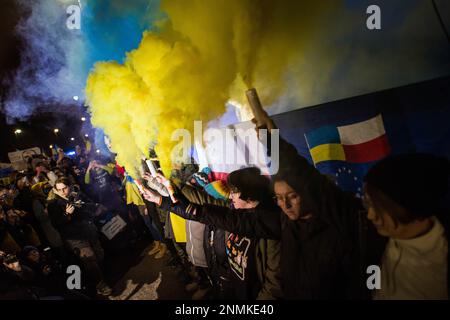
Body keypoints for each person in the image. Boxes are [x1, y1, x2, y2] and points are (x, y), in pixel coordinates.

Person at [142, 113, 365, 299]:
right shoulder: (268, 219)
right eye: (279, 198)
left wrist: (273, 141)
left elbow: (297, 169)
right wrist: (164, 199)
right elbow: (209, 213)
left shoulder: (319, 223)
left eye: (292, 196)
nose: (285, 204)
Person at [363, 153, 449, 299]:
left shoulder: (439, 269)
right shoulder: (378, 237)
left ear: (406, 206)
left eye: (378, 207)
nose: (370, 215)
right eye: (367, 204)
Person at [47, 177, 112, 296]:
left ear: (69, 187)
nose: (62, 192)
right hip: (75, 238)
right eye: (59, 189)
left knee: (99, 254)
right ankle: (100, 285)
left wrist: (94, 208)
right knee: (90, 260)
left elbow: (87, 205)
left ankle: (101, 277)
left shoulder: (76, 195)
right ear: (56, 190)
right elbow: (56, 224)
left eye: (64, 188)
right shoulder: (54, 204)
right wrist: (66, 214)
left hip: (88, 231)